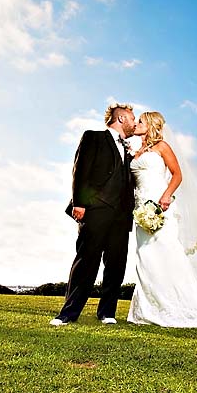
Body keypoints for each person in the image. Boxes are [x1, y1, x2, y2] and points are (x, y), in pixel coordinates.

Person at [126, 111, 197, 329]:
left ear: (151, 125)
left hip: (160, 206)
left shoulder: (162, 147)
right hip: (140, 208)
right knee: (145, 257)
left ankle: (182, 308)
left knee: (167, 253)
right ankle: (149, 309)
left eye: (141, 121)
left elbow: (177, 174)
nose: (136, 124)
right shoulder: (134, 152)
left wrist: (166, 196)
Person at [50, 102, 136, 326]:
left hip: (121, 215)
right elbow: (81, 170)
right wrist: (79, 202)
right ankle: (67, 314)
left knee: (116, 264)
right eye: (132, 118)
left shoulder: (129, 149)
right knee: (86, 261)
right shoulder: (93, 137)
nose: (135, 122)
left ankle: (107, 313)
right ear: (121, 119)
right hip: (95, 210)